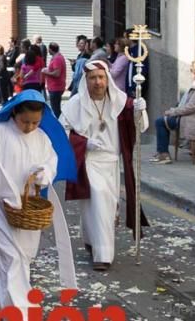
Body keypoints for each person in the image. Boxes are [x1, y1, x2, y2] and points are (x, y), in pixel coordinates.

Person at [0, 92, 78, 321]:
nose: (30, 127)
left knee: (24, 258)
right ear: (14, 114)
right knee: (10, 259)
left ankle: (12, 311)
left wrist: (44, 174)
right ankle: (24, 318)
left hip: (29, 205)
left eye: (35, 122)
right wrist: (11, 200)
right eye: (25, 121)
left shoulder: (41, 137)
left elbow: (51, 161)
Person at [60, 59, 149, 271]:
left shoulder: (121, 102)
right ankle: (103, 255)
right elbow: (61, 131)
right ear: (86, 80)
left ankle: (91, 240)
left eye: (101, 77)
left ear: (108, 79)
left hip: (111, 162)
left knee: (105, 207)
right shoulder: (75, 104)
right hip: (88, 161)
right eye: (92, 78)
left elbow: (141, 127)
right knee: (99, 203)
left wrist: (140, 110)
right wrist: (84, 143)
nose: (97, 82)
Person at [151, 59, 195, 165]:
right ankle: (161, 151)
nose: (191, 73)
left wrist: (173, 112)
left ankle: (163, 154)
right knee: (163, 120)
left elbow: (191, 107)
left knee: (160, 122)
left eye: (192, 71)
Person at [43, 43, 67, 116]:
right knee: (55, 107)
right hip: (55, 86)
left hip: (56, 87)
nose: (47, 51)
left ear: (50, 49)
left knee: (55, 108)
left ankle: (59, 123)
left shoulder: (57, 59)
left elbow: (57, 73)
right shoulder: (57, 57)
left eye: (48, 49)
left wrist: (46, 72)